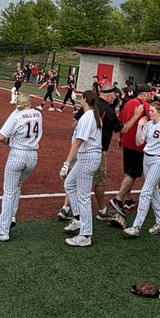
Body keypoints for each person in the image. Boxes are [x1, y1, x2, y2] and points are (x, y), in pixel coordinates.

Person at [0, 93, 42, 241]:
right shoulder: (38, 114)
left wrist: (9, 142)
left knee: (8, 192)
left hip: (17, 154)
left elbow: (1, 136)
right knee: (17, 186)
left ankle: (3, 231)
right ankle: (12, 216)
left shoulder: (16, 115)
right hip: (32, 156)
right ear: (29, 103)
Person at [123, 103, 160, 237]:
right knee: (154, 192)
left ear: (159, 112)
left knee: (145, 192)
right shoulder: (149, 124)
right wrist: (139, 126)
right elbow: (139, 142)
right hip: (147, 158)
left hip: (158, 160)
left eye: (152, 111)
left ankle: (136, 226)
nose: (149, 112)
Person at [62, 91, 104, 247]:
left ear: (85, 99)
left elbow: (79, 141)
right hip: (86, 156)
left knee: (84, 196)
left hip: (88, 157)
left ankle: (86, 234)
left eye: (81, 98)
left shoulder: (88, 116)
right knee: (69, 185)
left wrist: (67, 163)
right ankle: (79, 219)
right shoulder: (93, 114)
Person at [109, 84, 154, 216]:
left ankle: (128, 200)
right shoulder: (145, 106)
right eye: (149, 93)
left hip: (127, 141)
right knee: (133, 173)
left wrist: (122, 137)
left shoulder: (128, 103)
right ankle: (118, 199)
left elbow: (121, 121)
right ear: (145, 94)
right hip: (138, 144)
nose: (151, 95)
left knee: (128, 171)